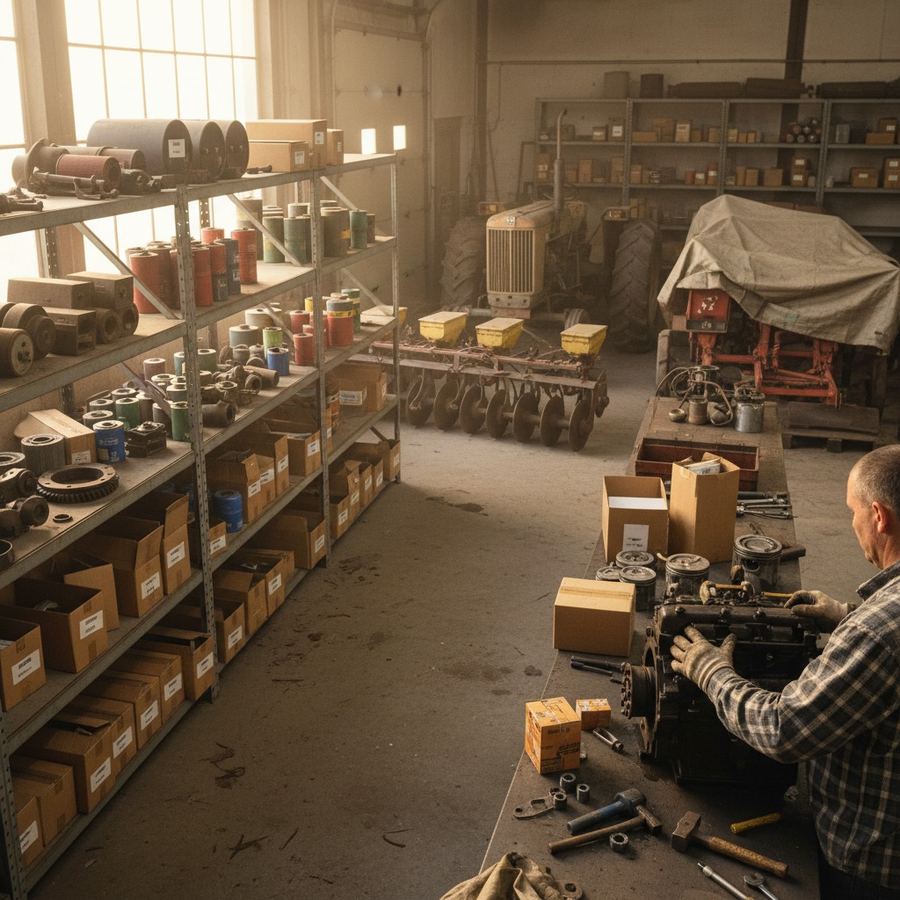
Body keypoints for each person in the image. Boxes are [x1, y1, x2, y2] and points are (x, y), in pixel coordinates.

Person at [671, 445, 900, 900]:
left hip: (868, 864)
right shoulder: (881, 621)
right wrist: (846, 615)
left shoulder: (881, 633)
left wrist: (712, 671)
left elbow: (783, 729)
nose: (851, 523)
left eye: (852, 512)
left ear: (878, 516)